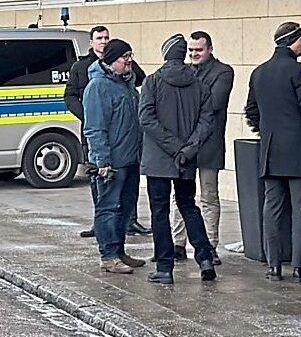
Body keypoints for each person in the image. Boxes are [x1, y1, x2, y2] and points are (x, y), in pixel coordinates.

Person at [245, 21, 301, 282]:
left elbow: (251, 110)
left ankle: (274, 265)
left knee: (272, 207)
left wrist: (266, 131)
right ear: (293, 41)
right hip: (299, 149)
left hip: (270, 149)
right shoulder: (298, 71)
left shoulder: (259, 72)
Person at [139, 34, 219, 284]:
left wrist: (174, 148)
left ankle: (164, 268)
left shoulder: (152, 82)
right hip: (186, 159)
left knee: (159, 212)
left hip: (159, 160)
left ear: (165, 54)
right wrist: (187, 150)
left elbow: (146, 119)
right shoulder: (200, 85)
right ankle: (205, 259)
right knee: (188, 206)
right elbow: (207, 122)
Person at [67, 26, 149, 238]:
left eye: (106, 37)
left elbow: (142, 79)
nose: (103, 41)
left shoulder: (126, 79)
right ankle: (108, 246)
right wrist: (87, 115)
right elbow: (73, 99)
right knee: (108, 203)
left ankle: (124, 235)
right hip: (106, 148)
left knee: (125, 200)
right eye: (99, 38)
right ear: (92, 42)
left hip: (128, 153)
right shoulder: (88, 74)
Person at [83, 39, 146, 275]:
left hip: (131, 158)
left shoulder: (126, 84)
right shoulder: (98, 87)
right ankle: (108, 256)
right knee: (108, 207)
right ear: (111, 61)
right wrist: (102, 161)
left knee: (125, 208)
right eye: (125, 57)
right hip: (112, 162)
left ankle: (119, 251)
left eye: (130, 55)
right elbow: (95, 128)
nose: (129, 61)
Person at [170, 30, 233, 263]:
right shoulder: (184, 71)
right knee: (180, 196)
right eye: (191, 50)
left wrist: (186, 102)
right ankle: (178, 243)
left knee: (208, 196)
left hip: (209, 143)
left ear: (210, 49)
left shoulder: (222, 71)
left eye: (199, 50)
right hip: (185, 144)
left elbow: (214, 103)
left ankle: (210, 245)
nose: (194, 54)